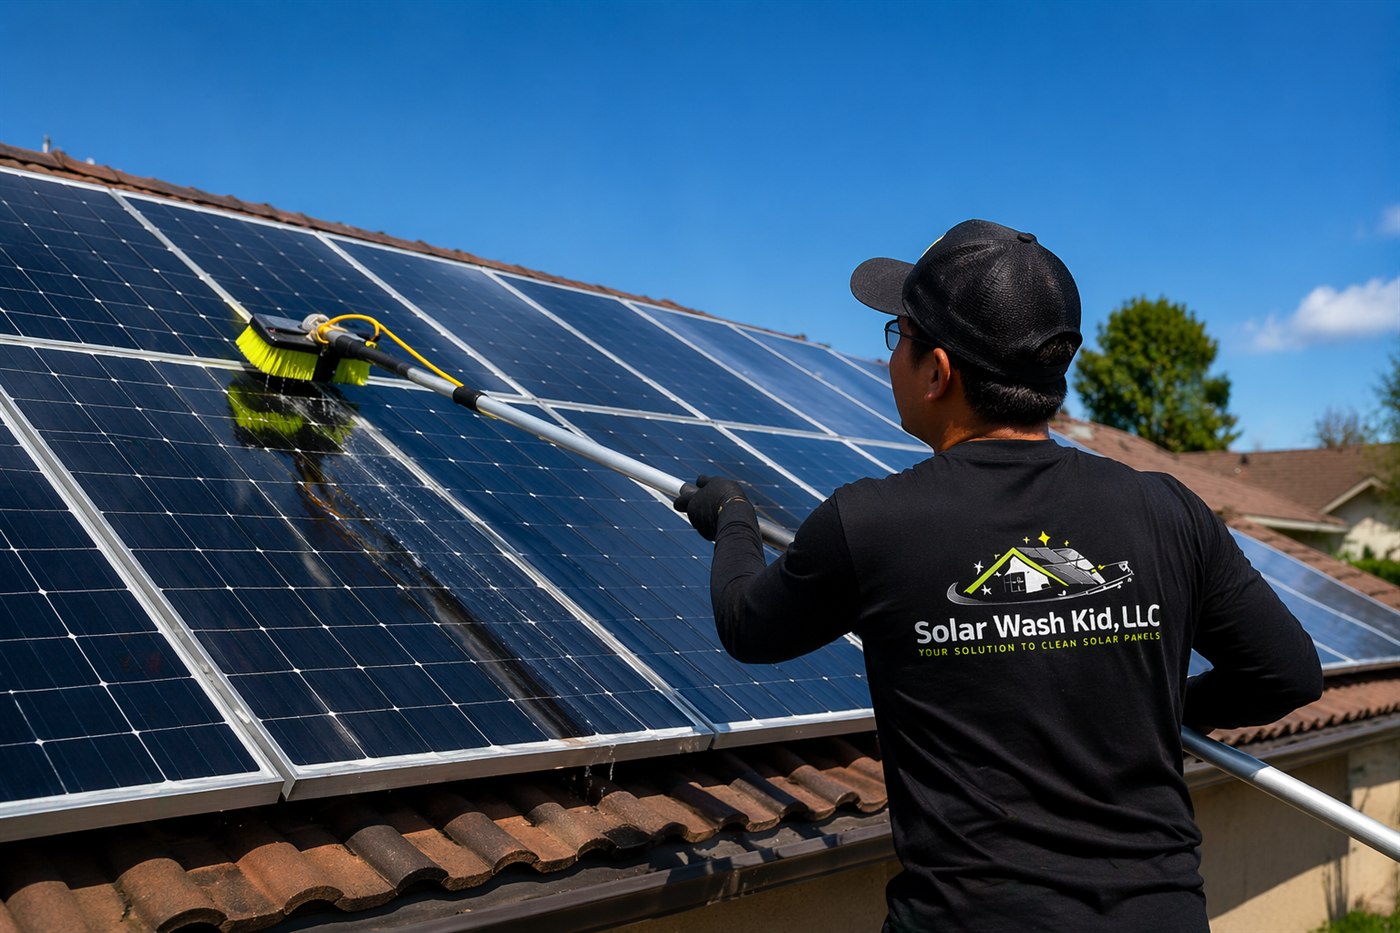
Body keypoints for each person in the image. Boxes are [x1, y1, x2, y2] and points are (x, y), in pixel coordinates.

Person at [674, 219, 1323, 932]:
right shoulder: (1168, 509)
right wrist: (1164, 704)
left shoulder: (871, 524)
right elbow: (1285, 674)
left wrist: (733, 512)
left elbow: (745, 625)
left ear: (939, 371)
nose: (890, 358)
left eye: (898, 335)